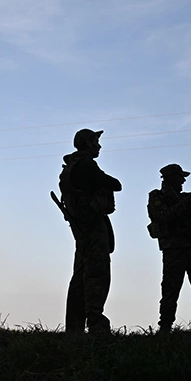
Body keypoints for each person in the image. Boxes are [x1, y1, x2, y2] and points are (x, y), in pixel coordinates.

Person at [59, 128, 122, 334]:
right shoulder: (86, 165)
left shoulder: (72, 166)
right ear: (88, 143)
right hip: (92, 228)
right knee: (97, 275)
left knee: (80, 277)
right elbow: (115, 184)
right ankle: (97, 327)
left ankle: (74, 330)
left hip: (82, 229)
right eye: (96, 141)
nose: (99, 145)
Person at [146, 164, 191, 333]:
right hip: (173, 249)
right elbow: (160, 216)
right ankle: (165, 327)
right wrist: (183, 205)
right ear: (170, 178)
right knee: (171, 289)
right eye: (180, 176)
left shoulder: (187, 197)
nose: (183, 180)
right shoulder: (157, 196)